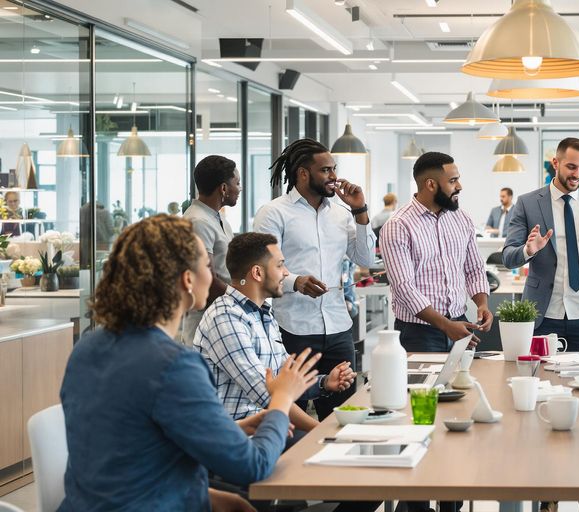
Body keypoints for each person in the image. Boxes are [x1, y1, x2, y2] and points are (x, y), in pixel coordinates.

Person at [59, 214, 320, 511]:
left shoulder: (87, 347)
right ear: (187, 280)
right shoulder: (174, 366)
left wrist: (237, 428)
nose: (214, 276)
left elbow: (135, 456)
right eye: (208, 267)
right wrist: (282, 399)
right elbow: (252, 467)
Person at [253, 138, 375, 420]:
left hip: (338, 329)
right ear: (303, 173)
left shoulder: (342, 215)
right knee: (291, 417)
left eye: (334, 169)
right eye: (326, 170)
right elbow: (261, 268)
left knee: (345, 417)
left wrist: (360, 210)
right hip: (293, 330)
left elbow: (366, 260)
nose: (334, 177)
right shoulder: (274, 213)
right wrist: (295, 281)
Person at [194, 232, 357, 435]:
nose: (286, 273)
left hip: (267, 426)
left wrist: (325, 382)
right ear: (258, 273)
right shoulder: (225, 318)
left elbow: (284, 379)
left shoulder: (263, 314)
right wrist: (321, 432)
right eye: (280, 265)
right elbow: (268, 394)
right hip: (238, 436)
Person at [502, 137, 579, 352]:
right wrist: (527, 250)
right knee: (541, 380)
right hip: (543, 314)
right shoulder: (527, 203)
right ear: (555, 163)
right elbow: (508, 257)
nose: (577, 174)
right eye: (571, 167)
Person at [380, 151, 492, 353]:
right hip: (418, 332)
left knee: (465, 383)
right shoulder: (398, 226)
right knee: (424, 386)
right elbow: (404, 288)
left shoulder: (462, 219)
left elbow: (474, 268)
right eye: (453, 181)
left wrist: (482, 303)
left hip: (460, 324)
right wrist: (445, 325)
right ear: (431, 185)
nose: (459, 186)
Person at [182, 155, 240, 344]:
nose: (239, 189)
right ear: (223, 188)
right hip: (205, 321)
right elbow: (207, 280)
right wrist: (244, 300)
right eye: (237, 183)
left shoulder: (216, 217)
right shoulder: (198, 221)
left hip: (222, 314)